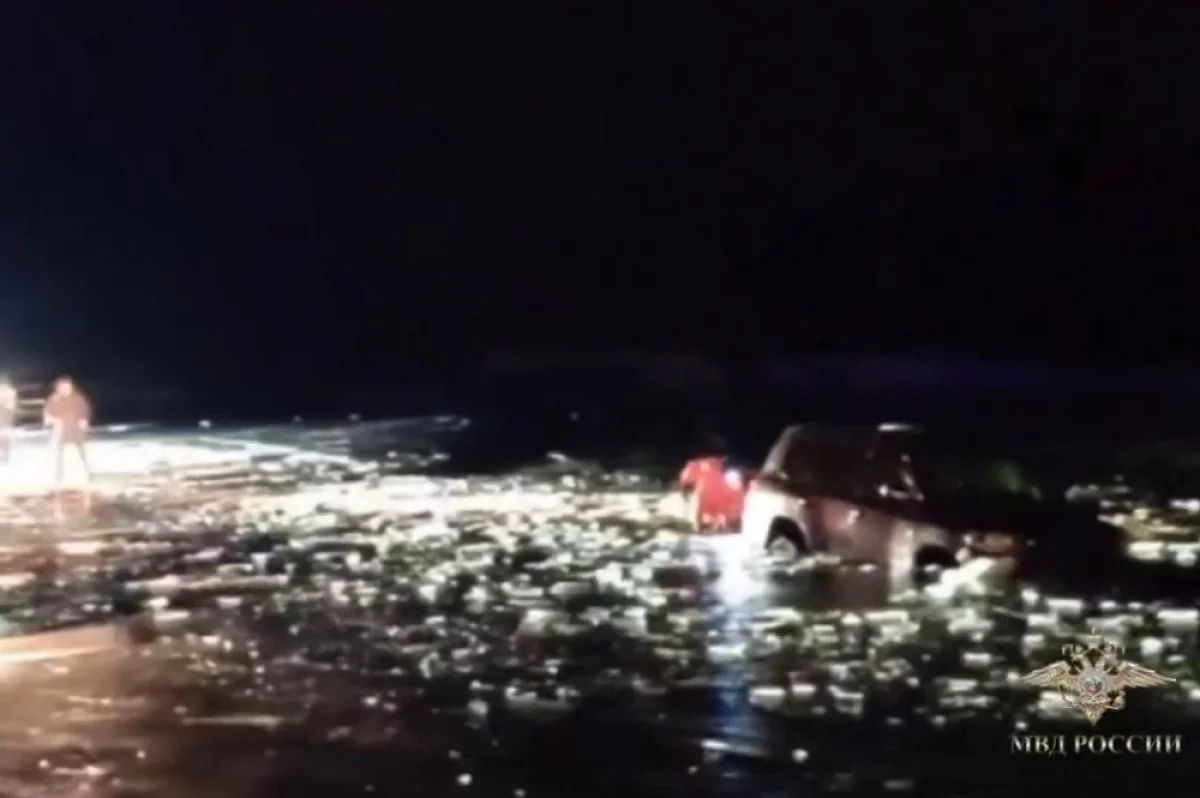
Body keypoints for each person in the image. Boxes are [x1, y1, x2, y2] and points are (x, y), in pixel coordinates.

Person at [44, 376, 92, 485]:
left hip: (75, 429)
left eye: (68, 386)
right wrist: (50, 420)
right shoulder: (54, 398)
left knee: (82, 452)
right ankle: (59, 476)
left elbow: (85, 410)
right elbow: (48, 413)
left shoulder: (78, 398)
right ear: (58, 387)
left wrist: (84, 420)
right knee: (58, 454)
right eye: (63, 386)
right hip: (61, 430)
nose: (66, 388)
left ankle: (88, 472)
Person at [0, 375, 15, 464]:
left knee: (4, 436)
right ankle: (6, 455)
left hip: (4, 414)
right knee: (5, 436)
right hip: (8, 415)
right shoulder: (11, 391)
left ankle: (5, 455)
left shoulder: (4, 391)